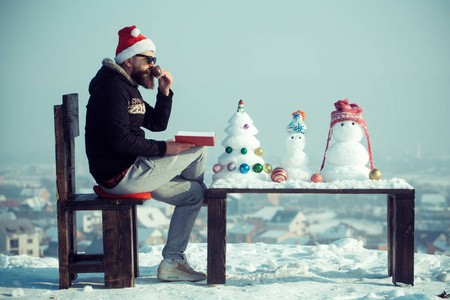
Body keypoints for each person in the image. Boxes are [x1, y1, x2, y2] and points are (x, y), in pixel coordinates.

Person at [85, 25, 207, 282]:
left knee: (193, 194)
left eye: (155, 60)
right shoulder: (112, 89)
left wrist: (164, 92)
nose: (153, 66)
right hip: (121, 174)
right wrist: (165, 149)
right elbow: (120, 141)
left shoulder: (128, 87)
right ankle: (180, 249)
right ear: (129, 60)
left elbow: (155, 124)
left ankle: (173, 261)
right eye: (148, 59)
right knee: (198, 150)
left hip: (134, 167)